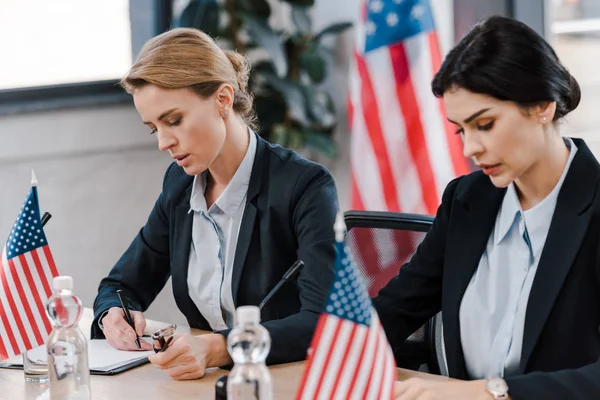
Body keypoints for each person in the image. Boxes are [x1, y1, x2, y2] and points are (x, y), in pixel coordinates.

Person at [91, 27, 339, 380]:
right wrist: (113, 314)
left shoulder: (304, 186)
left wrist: (220, 347)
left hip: (288, 380)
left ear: (223, 99)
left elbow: (324, 320)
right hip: (209, 384)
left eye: (174, 120)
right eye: (153, 128)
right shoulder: (179, 185)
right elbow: (122, 284)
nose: (163, 142)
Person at [384, 16, 600, 399]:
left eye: (484, 124)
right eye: (460, 130)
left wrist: (490, 392)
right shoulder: (467, 199)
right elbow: (394, 309)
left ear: (542, 107)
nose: (470, 149)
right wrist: (290, 344)